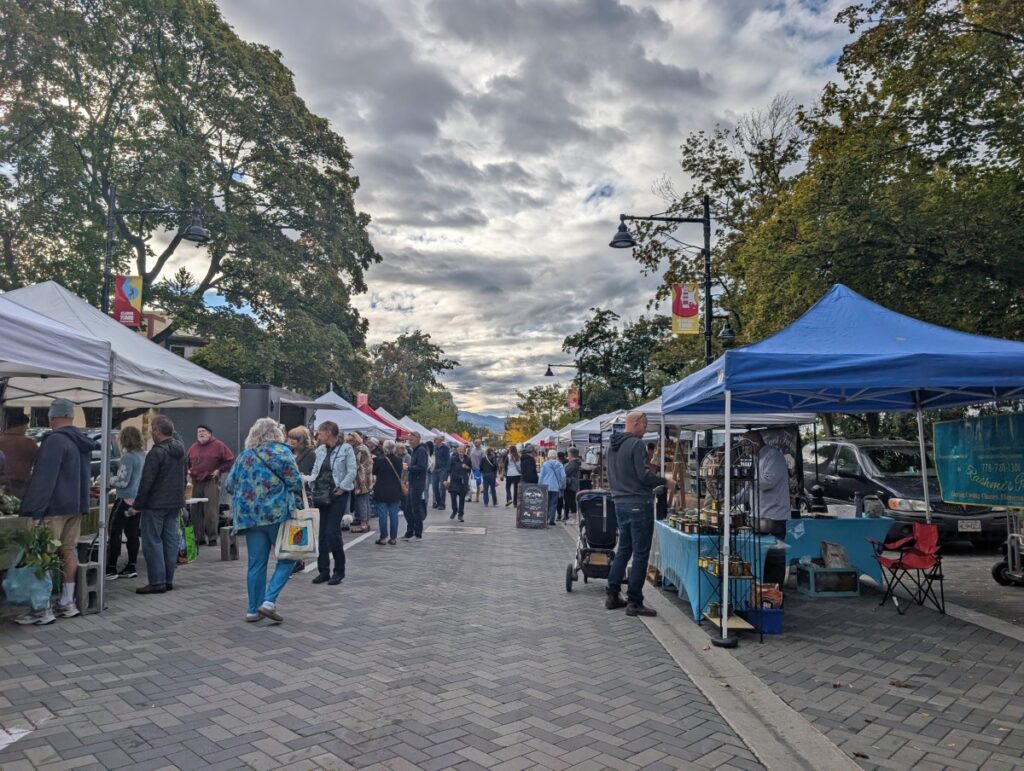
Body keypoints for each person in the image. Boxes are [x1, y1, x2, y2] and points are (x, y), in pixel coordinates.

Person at [16, 399, 97, 624]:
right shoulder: (82, 442)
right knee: (69, 551)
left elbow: (45, 479)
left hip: (53, 508)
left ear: (52, 417)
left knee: (43, 554)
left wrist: (36, 510)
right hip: (76, 506)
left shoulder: (54, 441)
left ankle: (42, 608)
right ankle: (67, 602)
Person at [224, 418, 303, 623]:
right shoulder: (283, 452)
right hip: (277, 514)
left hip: (250, 517)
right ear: (275, 434)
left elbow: (230, 485)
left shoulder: (245, 456)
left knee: (256, 564)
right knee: (287, 557)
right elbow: (295, 482)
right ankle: (268, 602)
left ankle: (252, 610)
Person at [605, 411, 666, 617]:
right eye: (645, 424)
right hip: (639, 502)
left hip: (620, 502)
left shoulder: (611, 446)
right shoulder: (636, 444)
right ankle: (634, 601)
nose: (646, 429)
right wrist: (663, 480)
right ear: (637, 422)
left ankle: (612, 593)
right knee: (640, 553)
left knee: (624, 549)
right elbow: (643, 475)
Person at [134, 415, 187, 595]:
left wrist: (138, 504)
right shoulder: (181, 451)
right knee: (170, 541)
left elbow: (146, 481)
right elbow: (184, 477)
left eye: (152, 429)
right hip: (174, 502)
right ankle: (168, 579)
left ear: (157, 431)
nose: (151, 433)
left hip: (155, 504)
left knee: (152, 541)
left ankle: (157, 581)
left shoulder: (156, 453)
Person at [307, 421, 356, 585]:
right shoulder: (320, 450)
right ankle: (324, 570)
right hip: (321, 494)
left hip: (337, 494)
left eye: (320, 432)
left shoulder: (346, 449)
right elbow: (315, 471)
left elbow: (351, 471)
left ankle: (339, 570)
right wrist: (307, 481)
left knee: (331, 532)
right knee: (321, 534)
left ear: (328, 433)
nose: (318, 436)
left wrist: (342, 487)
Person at [105, 427, 146, 581]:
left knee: (114, 531)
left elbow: (122, 481)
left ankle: (111, 567)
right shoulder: (142, 455)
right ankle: (131, 565)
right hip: (137, 500)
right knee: (132, 533)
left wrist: (108, 480)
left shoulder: (128, 457)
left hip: (125, 499)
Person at [186, 425, 235, 546]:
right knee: (195, 510)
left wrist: (219, 470)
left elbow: (230, 459)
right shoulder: (193, 447)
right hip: (195, 480)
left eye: (203, 431)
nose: (201, 433)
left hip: (210, 480)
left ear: (209, 434)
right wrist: (187, 470)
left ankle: (212, 537)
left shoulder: (218, 445)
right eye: (199, 431)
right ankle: (198, 537)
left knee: (210, 510)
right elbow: (186, 462)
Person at [737, 430, 791, 538]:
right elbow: (748, 491)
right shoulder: (755, 458)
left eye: (746, 445)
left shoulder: (773, 456)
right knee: (760, 551)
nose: (744, 449)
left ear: (755, 443)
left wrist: (746, 478)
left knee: (774, 552)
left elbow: (767, 483)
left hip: (774, 516)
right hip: (758, 516)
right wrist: (731, 500)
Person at [286, 426, 316, 573]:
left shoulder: (311, 454)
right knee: (294, 525)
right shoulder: (289, 452)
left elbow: (310, 473)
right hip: (291, 494)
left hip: (304, 493)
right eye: (290, 437)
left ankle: (300, 558)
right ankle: (298, 558)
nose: (291, 441)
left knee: (300, 525)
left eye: (295, 439)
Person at [0, 413, 38, 499]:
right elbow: (40, 463)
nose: (27, 428)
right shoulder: (29, 443)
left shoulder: (1, 440)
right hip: (22, 486)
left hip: (2, 485)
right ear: (21, 426)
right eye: (26, 426)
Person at [372, 440, 403, 545]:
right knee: (394, 514)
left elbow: (374, 472)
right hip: (395, 490)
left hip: (381, 490)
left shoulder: (379, 460)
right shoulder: (399, 460)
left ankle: (383, 537)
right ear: (394, 448)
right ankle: (393, 538)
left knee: (382, 515)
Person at [404, 432, 429, 539]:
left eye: (412, 439)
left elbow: (422, 467)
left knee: (415, 508)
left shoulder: (421, 451)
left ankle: (418, 533)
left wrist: (408, 468)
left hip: (418, 483)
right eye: (409, 439)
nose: (410, 441)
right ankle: (410, 532)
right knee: (408, 509)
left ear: (418, 439)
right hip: (413, 482)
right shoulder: (415, 450)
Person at [349, 432, 373, 533]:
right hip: (367, 478)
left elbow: (356, 464)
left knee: (362, 500)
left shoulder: (359, 449)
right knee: (366, 500)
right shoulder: (364, 447)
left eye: (350, 440)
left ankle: (363, 524)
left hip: (361, 478)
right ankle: (366, 522)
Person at [539, 450, 567, 525]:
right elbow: (563, 476)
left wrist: (540, 485)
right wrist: (563, 486)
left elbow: (541, 476)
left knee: (546, 503)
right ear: (556, 456)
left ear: (548, 455)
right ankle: (551, 519)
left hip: (546, 486)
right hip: (555, 487)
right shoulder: (559, 465)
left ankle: (546, 518)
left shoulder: (545, 464)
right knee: (554, 503)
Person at [446, 444, 471, 522]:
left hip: (463, 482)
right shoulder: (453, 459)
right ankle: (454, 510)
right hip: (454, 481)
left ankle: (461, 515)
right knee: (453, 498)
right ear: (457, 451)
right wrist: (447, 479)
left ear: (465, 451)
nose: (461, 451)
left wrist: (467, 467)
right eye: (460, 450)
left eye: (463, 450)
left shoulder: (468, 459)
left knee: (462, 499)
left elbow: (470, 469)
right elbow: (448, 469)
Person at [431, 435, 450, 510]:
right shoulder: (433, 448)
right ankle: (438, 502)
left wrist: (447, 469)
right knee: (434, 486)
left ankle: (442, 504)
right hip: (434, 469)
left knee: (442, 487)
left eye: (440, 440)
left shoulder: (445, 448)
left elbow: (448, 459)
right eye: (437, 440)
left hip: (442, 469)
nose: (438, 441)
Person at [564, 447, 582, 522]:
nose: (567, 455)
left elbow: (565, 472)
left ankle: (574, 517)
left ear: (571, 454)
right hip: (571, 483)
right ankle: (572, 516)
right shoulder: (573, 462)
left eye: (568, 453)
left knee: (570, 500)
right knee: (569, 500)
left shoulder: (573, 463)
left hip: (571, 484)